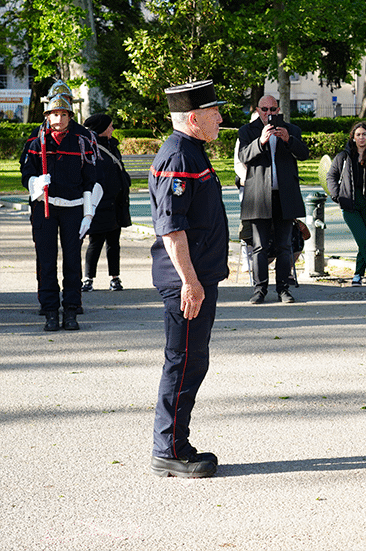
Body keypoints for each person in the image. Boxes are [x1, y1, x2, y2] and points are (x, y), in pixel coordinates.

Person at [148, 80, 228, 478]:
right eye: (214, 112)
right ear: (193, 118)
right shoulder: (178, 156)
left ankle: (176, 441)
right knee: (183, 364)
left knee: (191, 362)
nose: (220, 117)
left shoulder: (192, 152)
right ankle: (169, 449)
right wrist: (190, 282)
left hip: (197, 278)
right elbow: (172, 228)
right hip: (186, 283)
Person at [20, 92, 101, 331]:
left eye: (64, 114)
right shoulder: (37, 143)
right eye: (55, 114)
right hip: (45, 208)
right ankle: (50, 310)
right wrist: (36, 183)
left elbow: (91, 179)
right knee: (46, 260)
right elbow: (26, 174)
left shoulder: (80, 142)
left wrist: (88, 214)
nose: (59, 118)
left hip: (73, 208)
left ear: (69, 117)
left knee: (72, 261)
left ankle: (72, 309)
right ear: (47, 116)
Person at [236, 95, 310, 304]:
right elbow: (243, 157)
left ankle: (283, 289)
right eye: (264, 109)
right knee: (259, 246)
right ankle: (260, 289)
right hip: (259, 196)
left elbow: (304, 153)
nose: (269, 113)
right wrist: (260, 141)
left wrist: (289, 140)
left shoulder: (291, 130)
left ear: (278, 110)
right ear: (258, 110)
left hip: (284, 196)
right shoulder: (247, 131)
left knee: (285, 245)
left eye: (273, 109)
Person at [327, 121, 366, 287]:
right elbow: (331, 177)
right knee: (362, 239)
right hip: (350, 204)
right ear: (353, 138)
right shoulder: (344, 156)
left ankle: (357, 275)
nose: (361, 137)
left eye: (364, 134)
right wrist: (338, 196)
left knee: (365, 242)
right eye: (358, 135)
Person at [82, 113, 132, 292]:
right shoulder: (90, 147)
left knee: (114, 243)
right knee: (95, 243)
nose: (113, 129)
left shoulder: (112, 145)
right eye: (110, 126)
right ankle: (88, 279)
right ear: (102, 128)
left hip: (116, 204)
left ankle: (115, 278)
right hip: (99, 204)